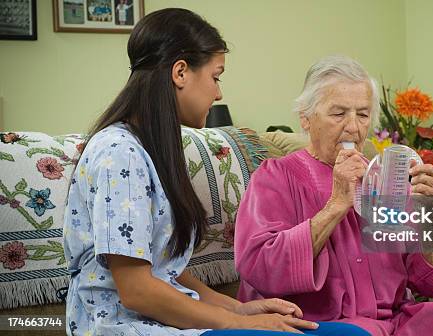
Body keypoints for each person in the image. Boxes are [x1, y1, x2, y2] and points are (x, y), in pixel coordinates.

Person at [63, 9, 369, 336]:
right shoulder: (119, 154)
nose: (219, 93)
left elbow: (164, 271)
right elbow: (137, 290)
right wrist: (240, 322)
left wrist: (239, 307)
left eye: (363, 114)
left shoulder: (151, 151)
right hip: (125, 326)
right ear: (180, 72)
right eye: (216, 76)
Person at [234, 55, 433, 336]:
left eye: (362, 114)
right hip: (322, 325)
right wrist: (337, 205)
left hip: (393, 322)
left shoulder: (387, 180)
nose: (353, 127)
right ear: (306, 119)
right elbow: (260, 267)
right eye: (338, 114)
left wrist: (425, 214)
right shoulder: (276, 175)